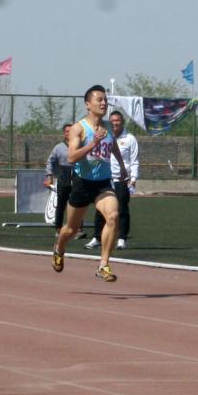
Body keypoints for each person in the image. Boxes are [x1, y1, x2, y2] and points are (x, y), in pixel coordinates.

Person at [52, 85, 128, 282]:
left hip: (103, 184)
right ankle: (59, 247)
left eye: (105, 100)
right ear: (88, 104)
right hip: (82, 184)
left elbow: (112, 145)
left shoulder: (108, 127)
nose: (104, 103)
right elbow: (71, 157)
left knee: (113, 216)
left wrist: (121, 165)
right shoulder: (78, 128)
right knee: (71, 229)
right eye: (99, 100)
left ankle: (103, 265)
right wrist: (93, 143)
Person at [86, 110, 139, 250]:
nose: (115, 123)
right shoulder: (103, 136)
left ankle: (121, 239)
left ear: (122, 122)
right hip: (104, 178)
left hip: (121, 180)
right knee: (100, 209)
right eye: (112, 121)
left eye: (118, 120)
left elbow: (134, 160)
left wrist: (133, 178)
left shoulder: (130, 139)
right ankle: (97, 238)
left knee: (122, 209)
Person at [44, 122, 87, 237]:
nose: (69, 133)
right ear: (64, 133)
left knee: (78, 204)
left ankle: (78, 230)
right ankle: (58, 229)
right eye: (67, 131)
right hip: (63, 177)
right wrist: (49, 176)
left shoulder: (81, 145)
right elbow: (50, 161)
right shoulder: (58, 147)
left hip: (78, 177)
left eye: (71, 131)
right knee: (61, 204)